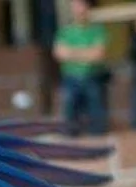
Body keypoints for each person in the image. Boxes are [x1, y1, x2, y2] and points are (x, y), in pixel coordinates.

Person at [54, 0, 111, 136]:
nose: (79, 10)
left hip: (93, 77)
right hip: (71, 78)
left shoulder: (98, 30)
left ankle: (98, 140)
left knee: (96, 113)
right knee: (70, 113)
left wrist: (72, 52)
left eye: (81, 6)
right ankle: (71, 143)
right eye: (75, 7)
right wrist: (86, 52)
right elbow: (59, 53)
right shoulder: (65, 31)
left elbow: (98, 54)